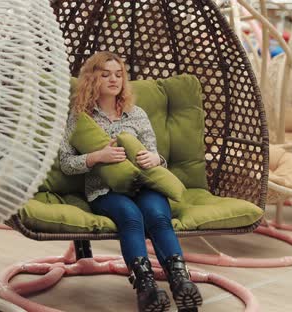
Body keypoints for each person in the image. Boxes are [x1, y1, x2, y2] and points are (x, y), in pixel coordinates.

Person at [59, 51, 203, 312]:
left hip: (144, 184)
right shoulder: (80, 118)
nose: (114, 80)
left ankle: (182, 283)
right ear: (93, 79)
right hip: (105, 191)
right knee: (130, 217)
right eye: (106, 75)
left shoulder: (137, 114)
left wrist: (154, 159)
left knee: (159, 216)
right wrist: (96, 157)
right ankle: (147, 290)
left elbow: (157, 157)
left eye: (118, 74)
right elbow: (66, 163)